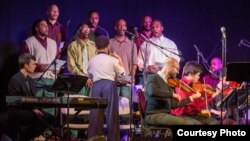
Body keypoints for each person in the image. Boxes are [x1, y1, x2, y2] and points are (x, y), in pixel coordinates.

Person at [7, 53, 55, 141]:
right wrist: (32, 109)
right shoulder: (15, 79)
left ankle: (30, 137)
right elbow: (15, 102)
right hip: (18, 110)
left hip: (29, 108)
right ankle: (25, 138)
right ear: (25, 65)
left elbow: (33, 98)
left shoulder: (30, 79)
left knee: (51, 118)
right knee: (37, 117)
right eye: (33, 64)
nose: (35, 66)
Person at [87, 35, 125, 141]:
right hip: (109, 85)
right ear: (107, 46)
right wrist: (119, 59)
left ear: (96, 46)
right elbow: (123, 73)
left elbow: (89, 75)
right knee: (111, 114)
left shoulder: (91, 60)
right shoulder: (112, 60)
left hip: (96, 86)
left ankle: (94, 138)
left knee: (95, 114)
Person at [145, 57, 202, 125]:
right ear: (171, 67)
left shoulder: (167, 84)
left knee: (197, 124)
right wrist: (172, 94)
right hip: (154, 115)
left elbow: (174, 105)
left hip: (165, 115)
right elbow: (152, 91)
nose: (178, 72)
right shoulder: (153, 77)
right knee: (188, 123)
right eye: (177, 69)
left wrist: (191, 98)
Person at [20, 19, 59, 115]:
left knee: (51, 108)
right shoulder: (28, 42)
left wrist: (57, 69)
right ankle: (39, 130)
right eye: (43, 25)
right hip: (36, 79)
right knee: (38, 107)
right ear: (36, 28)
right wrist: (39, 68)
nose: (46, 27)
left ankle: (49, 130)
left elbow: (56, 59)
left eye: (47, 26)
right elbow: (24, 63)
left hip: (51, 79)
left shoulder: (53, 43)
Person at [109, 18, 138, 99]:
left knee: (126, 108)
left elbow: (134, 64)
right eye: (120, 25)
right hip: (114, 82)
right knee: (114, 108)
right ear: (115, 27)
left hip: (127, 83)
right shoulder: (110, 43)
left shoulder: (132, 44)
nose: (122, 27)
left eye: (124, 26)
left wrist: (132, 76)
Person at [67, 23, 96, 96]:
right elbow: (72, 66)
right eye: (84, 28)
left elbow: (97, 64)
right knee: (79, 104)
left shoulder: (94, 46)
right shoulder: (73, 46)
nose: (86, 30)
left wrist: (91, 77)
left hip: (93, 81)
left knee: (92, 105)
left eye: (88, 28)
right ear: (78, 31)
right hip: (79, 80)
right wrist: (84, 78)